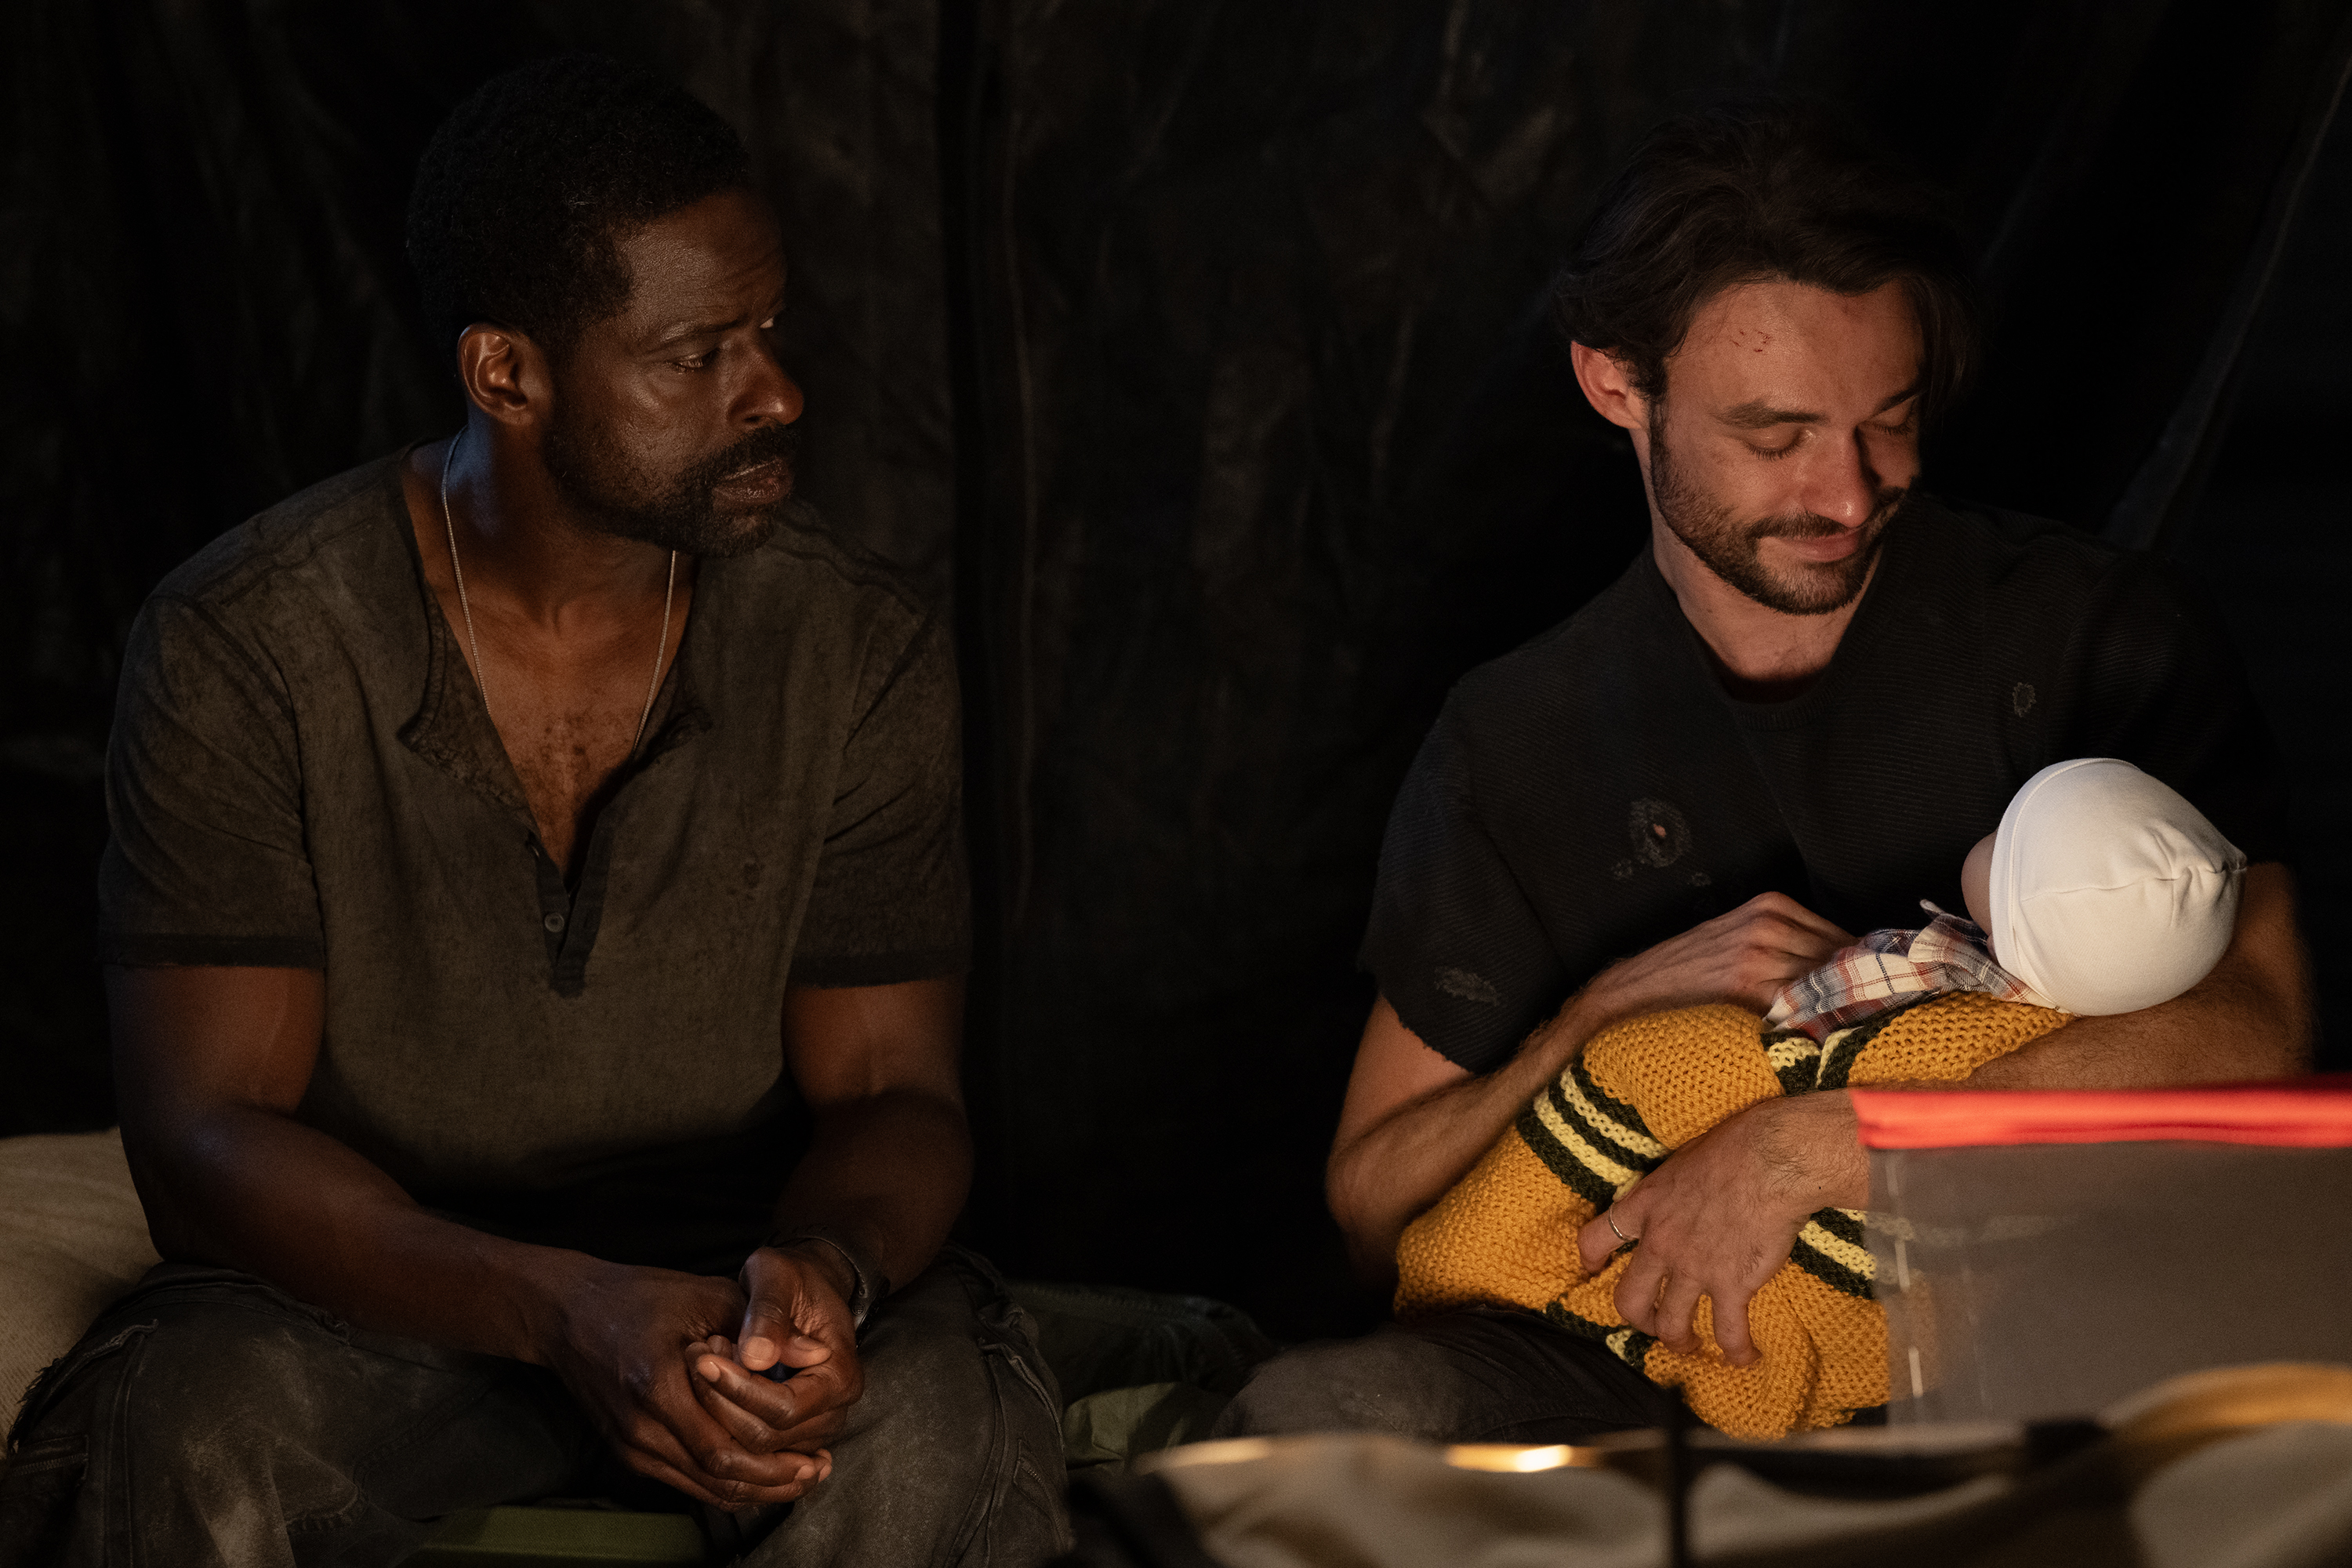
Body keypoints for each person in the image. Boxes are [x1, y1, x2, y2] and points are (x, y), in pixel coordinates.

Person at [2, 58, 1065, 1567]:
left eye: (767, 331)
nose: (777, 394)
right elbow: (204, 1140)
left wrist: (825, 1274)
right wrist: (554, 1306)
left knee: (948, 1420)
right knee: (185, 1420)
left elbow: (895, 1092)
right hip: (381, 1297)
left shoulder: (854, 650)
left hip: (732, 1291)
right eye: (699, 355)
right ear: (508, 375)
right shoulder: (248, 644)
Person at [1213, 102, 2312, 1443]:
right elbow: (1372, 1197)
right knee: (1328, 1408)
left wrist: (1829, 1144)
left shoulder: (2094, 636)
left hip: (2027, 1326)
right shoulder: (1514, 744)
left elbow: (2256, 1025)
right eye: (1775, 435)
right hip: (1652, 1357)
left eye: (1889, 422)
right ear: (1618, 386)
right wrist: (1594, 1018)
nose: (1848, 495)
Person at [1389, 757, 2248, 1440]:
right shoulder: (2096, 1053)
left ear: (2023, 915)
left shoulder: (1954, 1002)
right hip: (1924, 1336)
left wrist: (1726, 1039)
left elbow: (1815, 1046)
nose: (1986, 831)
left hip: (1834, 1251)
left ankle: (1470, 1259)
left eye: (2007, 838)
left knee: (1651, 1063)